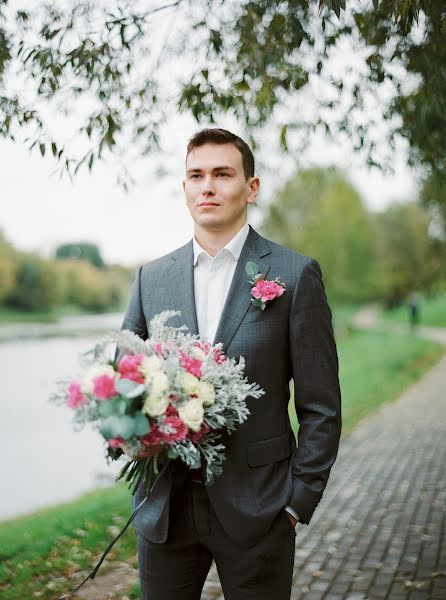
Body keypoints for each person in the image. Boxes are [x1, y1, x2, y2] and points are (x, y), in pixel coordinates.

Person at [117, 127, 342, 599]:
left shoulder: (294, 275)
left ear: (251, 187)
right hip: (165, 508)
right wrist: (130, 437)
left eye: (222, 173)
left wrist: (297, 502)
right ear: (184, 189)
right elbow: (123, 387)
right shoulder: (150, 279)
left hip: (260, 506)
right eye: (196, 175)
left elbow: (321, 406)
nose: (208, 186)